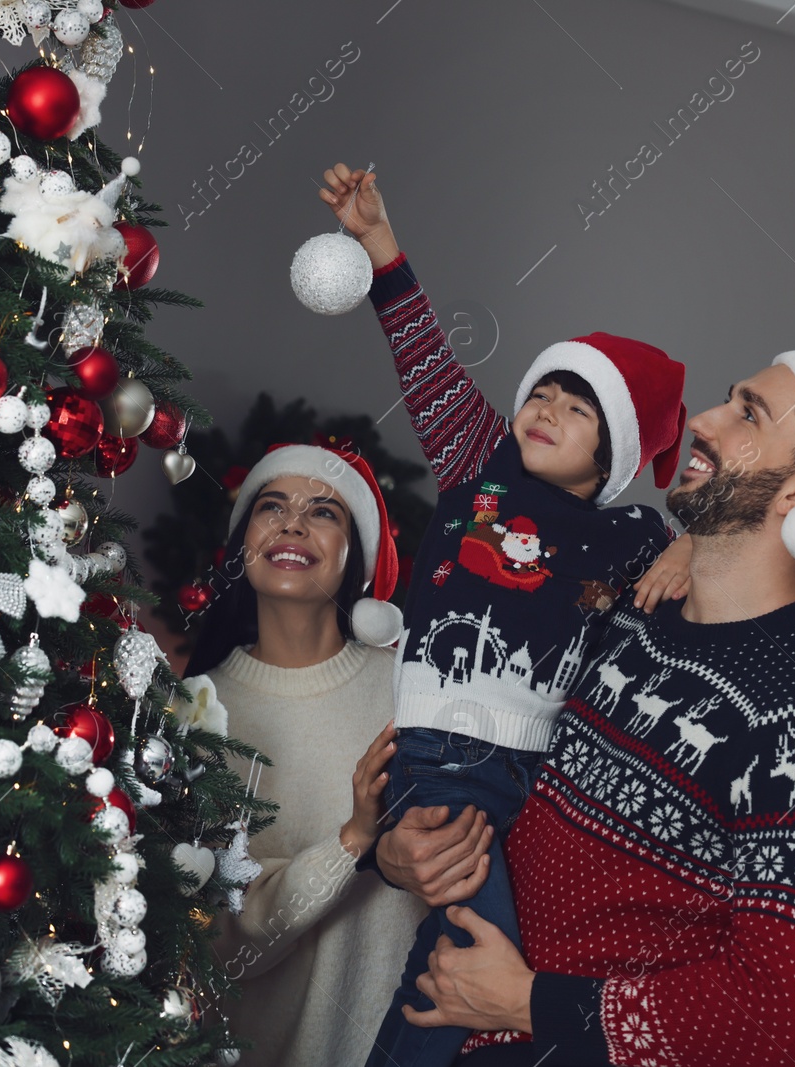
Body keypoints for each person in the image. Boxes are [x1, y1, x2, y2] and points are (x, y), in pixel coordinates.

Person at [384, 338, 795, 1066]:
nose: (704, 420)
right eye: (728, 396)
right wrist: (395, 851)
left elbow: (785, 1014)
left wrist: (527, 1001)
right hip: (443, 1021)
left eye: (748, 414)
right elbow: (488, 767)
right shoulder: (623, 609)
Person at [317, 163, 691, 1067]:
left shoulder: (629, 536)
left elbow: (721, 578)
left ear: (616, 455)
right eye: (542, 393)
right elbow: (427, 363)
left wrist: (692, 548)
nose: (547, 410)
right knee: (494, 958)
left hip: (541, 776)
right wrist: (380, 247)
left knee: (467, 964)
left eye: (577, 408)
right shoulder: (480, 474)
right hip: (445, 755)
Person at [190, 443, 429, 1067]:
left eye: (324, 512)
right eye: (272, 506)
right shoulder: (196, 711)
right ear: (243, 545)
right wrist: (354, 841)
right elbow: (219, 941)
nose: (292, 523)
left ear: (356, 559)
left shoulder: (414, 682)